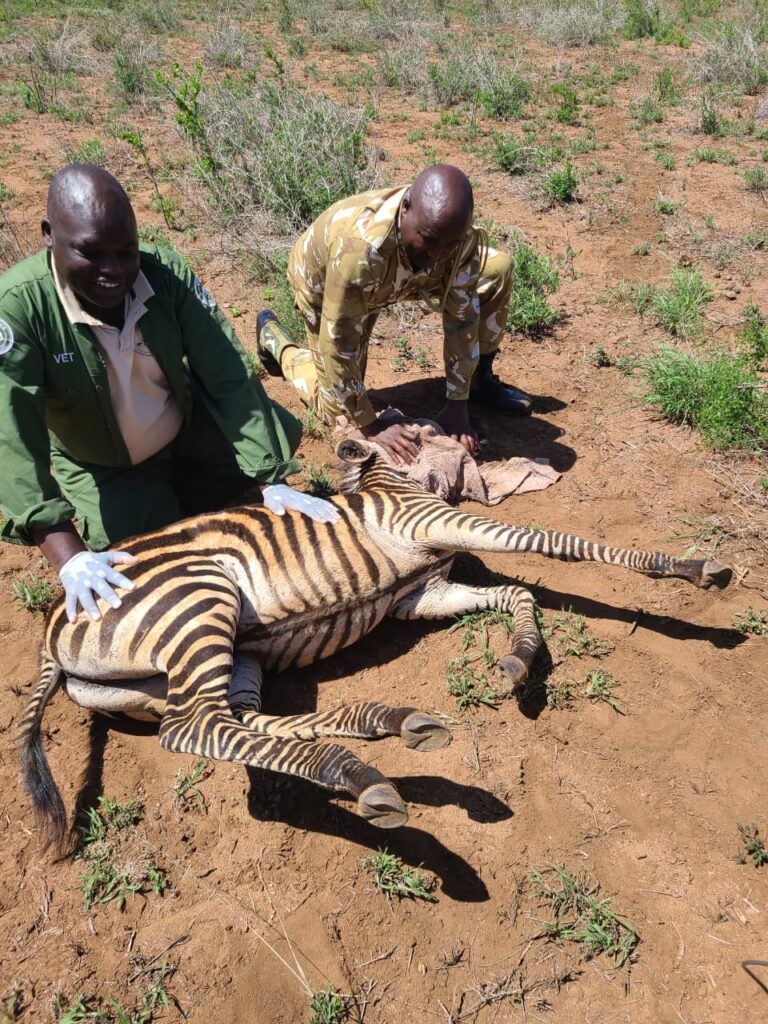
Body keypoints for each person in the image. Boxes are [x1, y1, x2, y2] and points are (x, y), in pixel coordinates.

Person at [0, 165, 337, 624]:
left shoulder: (165, 274)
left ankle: (201, 486)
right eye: (91, 253)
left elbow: (228, 373)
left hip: (187, 432)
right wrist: (67, 553)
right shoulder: (20, 308)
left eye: (126, 251)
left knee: (262, 481)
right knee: (146, 570)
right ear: (48, 235)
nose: (113, 270)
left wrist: (270, 476)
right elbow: (11, 437)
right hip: (107, 467)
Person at [255, 163, 531, 466]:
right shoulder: (359, 250)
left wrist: (458, 402)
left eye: (449, 244)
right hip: (326, 284)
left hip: (399, 273)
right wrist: (371, 426)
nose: (438, 253)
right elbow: (339, 343)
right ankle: (280, 347)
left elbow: (462, 316)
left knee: (496, 269)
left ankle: (480, 379)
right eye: (428, 237)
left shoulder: (452, 237)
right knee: (338, 412)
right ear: (406, 208)